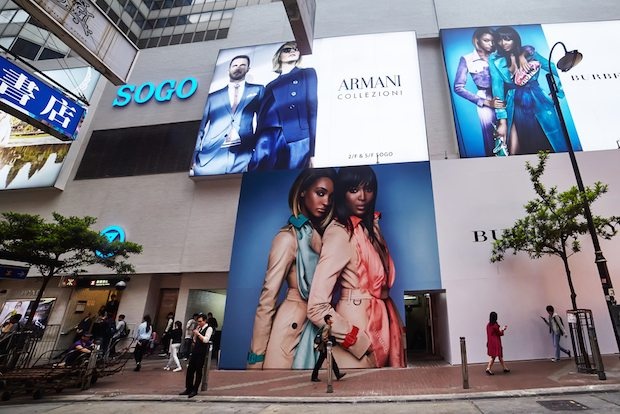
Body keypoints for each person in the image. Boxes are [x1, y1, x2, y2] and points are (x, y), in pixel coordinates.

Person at [307, 166, 405, 369]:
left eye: (368, 189)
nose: (362, 197)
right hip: (359, 327)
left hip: (383, 320)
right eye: (353, 190)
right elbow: (316, 307)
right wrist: (358, 341)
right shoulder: (340, 232)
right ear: (343, 193)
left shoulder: (371, 229)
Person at [248, 168, 337, 369]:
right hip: (291, 326)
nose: (326, 202)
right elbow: (267, 298)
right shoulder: (287, 239)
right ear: (303, 192)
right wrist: (256, 358)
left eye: (330, 197)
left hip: (318, 322)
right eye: (320, 193)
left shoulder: (321, 238)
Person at [489, 26, 570, 156]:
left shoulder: (530, 54)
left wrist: (557, 93)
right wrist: (502, 119)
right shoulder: (494, 60)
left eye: (507, 39)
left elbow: (559, 70)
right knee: (519, 147)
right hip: (515, 104)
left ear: (515, 39)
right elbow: (497, 87)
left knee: (553, 143)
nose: (503, 43)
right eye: (500, 40)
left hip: (539, 100)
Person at [248, 41, 318, 171]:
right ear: (279, 56)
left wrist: (313, 150)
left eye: (296, 49)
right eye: (287, 50)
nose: (293, 51)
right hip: (267, 136)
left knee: (293, 178)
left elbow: (312, 108)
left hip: (297, 135)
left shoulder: (307, 74)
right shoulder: (269, 85)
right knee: (258, 176)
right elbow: (261, 116)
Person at [191, 55, 264, 175]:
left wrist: (258, 149)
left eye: (242, 65)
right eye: (235, 65)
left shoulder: (258, 90)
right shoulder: (213, 97)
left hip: (243, 152)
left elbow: (263, 121)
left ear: (248, 69)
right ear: (228, 69)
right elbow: (201, 128)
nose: (238, 68)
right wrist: (194, 154)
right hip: (211, 153)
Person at [453, 27, 506, 157]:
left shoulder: (499, 55)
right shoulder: (467, 59)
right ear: (477, 40)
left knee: (512, 135)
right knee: (493, 137)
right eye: (486, 40)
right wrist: (485, 102)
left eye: (493, 41)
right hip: (486, 99)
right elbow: (458, 87)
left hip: (505, 96)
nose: (491, 44)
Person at [179, 314, 213, 398]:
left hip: (201, 352)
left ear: (205, 321)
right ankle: (188, 388)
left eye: (200, 321)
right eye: (198, 321)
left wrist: (198, 334)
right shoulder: (199, 328)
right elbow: (194, 340)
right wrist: (195, 334)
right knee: (190, 370)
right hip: (195, 351)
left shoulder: (209, 328)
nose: (199, 323)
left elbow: (206, 340)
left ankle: (195, 389)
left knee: (198, 370)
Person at [311, 314, 346, 382]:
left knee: (327, 362)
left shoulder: (328, 326)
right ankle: (314, 377)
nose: (331, 320)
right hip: (325, 348)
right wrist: (328, 342)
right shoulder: (327, 327)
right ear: (327, 320)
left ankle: (337, 374)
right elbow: (324, 337)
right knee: (323, 362)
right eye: (330, 319)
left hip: (325, 347)